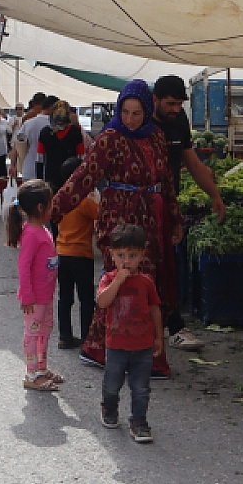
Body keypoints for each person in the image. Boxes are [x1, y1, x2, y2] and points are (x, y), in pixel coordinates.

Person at [50, 80, 180, 377]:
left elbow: (168, 182)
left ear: (146, 111)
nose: (130, 119)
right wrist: (53, 209)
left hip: (152, 219)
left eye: (136, 113)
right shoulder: (109, 138)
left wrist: (175, 219)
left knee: (146, 285)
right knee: (123, 280)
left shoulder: (157, 136)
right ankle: (122, 353)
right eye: (125, 112)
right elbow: (84, 177)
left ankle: (107, 349)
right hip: (119, 221)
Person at [152, 76, 228, 351]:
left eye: (179, 104)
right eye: (170, 104)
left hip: (169, 204)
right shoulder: (142, 122)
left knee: (169, 267)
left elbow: (192, 162)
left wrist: (215, 195)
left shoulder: (179, 120)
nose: (175, 109)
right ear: (155, 100)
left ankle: (173, 327)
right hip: (142, 205)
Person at [95, 224, 164, 444]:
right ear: (112, 255)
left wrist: (158, 337)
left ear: (142, 255)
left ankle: (139, 421)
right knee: (112, 383)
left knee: (141, 387)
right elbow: (102, 302)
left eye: (132, 255)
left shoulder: (146, 283)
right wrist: (118, 281)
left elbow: (155, 309)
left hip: (142, 345)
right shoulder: (108, 279)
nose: (126, 261)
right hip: (116, 344)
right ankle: (109, 406)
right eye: (121, 255)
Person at [7, 179, 61, 392]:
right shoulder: (31, 233)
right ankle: (30, 373)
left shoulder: (42, 230)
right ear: (41, 207)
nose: (52, 207)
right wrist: (27, 296)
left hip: (45, 295)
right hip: (35, 298)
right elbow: (24, 265)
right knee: (32, 333)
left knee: (45, 330)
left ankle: (41, 367)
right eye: (51, 203)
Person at [54, 156, 99, 349]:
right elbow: (101, 216)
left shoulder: (60, 199)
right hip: (81, 254)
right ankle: (87, 336)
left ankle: (64, 335)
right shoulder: (83, 201)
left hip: (61, 252)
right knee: (86, 298)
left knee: (65, 297)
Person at [37, 101, 86, 187]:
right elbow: (81, 157)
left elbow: (39, 159)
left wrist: (39, 180)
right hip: (71, 179)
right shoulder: (75, 132)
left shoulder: (45, 132)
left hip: (51, 178)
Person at [17, 95, 57, 179]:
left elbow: (18, 145)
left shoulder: (27, 122)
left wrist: (14, 165)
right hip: (49, 172)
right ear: (51, 107)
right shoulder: (56, 125)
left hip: (29, 169)